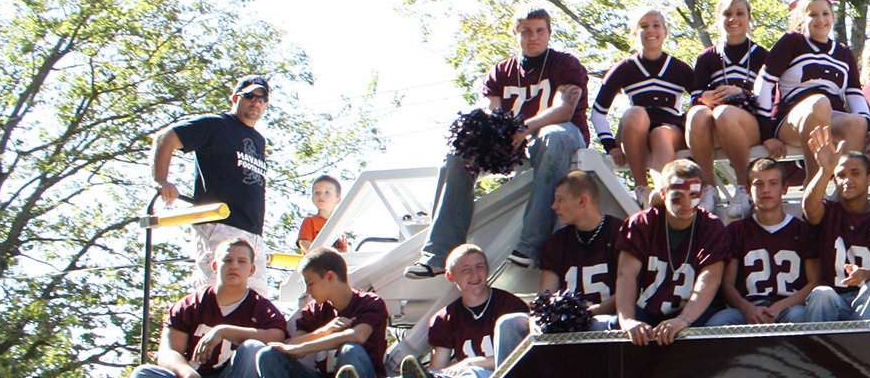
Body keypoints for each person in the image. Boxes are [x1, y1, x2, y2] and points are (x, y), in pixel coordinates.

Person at [409, 7, 592, 279]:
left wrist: (522, 128)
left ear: (549, 33)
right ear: (515, 33)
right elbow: (490, 112)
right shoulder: (501, 72)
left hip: (563, 139)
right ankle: (439, 254)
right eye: (526, 31)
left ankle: (532, 246)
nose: (534, 37)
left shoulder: (565, 64)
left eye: (540, 30)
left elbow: (564, 110)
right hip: (516, 144)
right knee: (457, 154)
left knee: (551, 135)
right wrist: (488, 137)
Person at [151, 75, 272, 294]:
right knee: (215, 302)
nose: (256, 102)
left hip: (253, 233)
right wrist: (162, 181)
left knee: (257, 306)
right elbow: (165, 137)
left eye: (262, 98)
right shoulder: (216, 125)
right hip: (219, 225)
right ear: (235, 98)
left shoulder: (258, 140)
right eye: (249, 96)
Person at [494, 171, 622, 357]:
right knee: (509, 323)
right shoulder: (557, 243)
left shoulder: (622, 233)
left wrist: (587, 313)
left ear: (582, 201)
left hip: (602, 319)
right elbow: (546, 296)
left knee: (609, 323)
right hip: (564, 323)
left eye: (560, 199)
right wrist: (542, 319)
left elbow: (630, 290)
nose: (554, 206)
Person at [129, 239, 286, 378]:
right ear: (215, 266)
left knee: (253, 348)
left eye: (242, 261)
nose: (234, 266)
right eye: (227, 260)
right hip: (194, 373)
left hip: (233, 374)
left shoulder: (261, 307)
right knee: (143, 373)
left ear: (252, 270)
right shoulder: (190, 305)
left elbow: (277, 337)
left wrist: (224, 331)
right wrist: (187, 373)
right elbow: (168, 353)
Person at [614, 159, 731, 345]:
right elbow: (626, 274)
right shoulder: (641, 223)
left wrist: (683, 320)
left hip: (694, 312)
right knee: (616, 326)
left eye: (693, 194)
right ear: (663, 193)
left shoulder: (711, 225)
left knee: (713, 324)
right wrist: (628, 320)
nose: (686, 203)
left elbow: (711, 277)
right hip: (648, 311)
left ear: (701, 193)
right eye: (678, 194)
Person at [758, 0, 870, 179]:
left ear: (832, 17)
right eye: (813, 14)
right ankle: (814, 188)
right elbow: (764, 83)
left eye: (825, 13)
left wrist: (869, 127)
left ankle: (846, 194)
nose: (820, 19)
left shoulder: (843, 52)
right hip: (793, 120)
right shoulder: (792, 41)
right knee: (819, 102)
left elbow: (855, 95)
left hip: (832, 117)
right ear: (802, 18)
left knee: (858, 122)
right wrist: (766, 134)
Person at [687, 0, 778, 220]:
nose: (733, 19)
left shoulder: (762, 55)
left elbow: (773, 97)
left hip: (750, 126)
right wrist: (703, 98)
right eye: (727, 13)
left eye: (739, 13)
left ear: (749, 18)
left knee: (724, 112)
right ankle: (708, 188)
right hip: (716, 126)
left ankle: (742, 187)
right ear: (718, 18)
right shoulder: (708, 57)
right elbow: (694, 96)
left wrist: (742, 92)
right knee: (697, 114)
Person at [593, 10, 697, 209]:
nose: (651, 30)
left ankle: (662, 193)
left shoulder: (679, 68)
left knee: (661, 133)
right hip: (635, 133)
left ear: (665, 32)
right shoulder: (624, 68)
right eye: (644, 26)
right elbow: (598, 111)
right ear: (634, 33)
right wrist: (609, 145)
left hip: (668, 131)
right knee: (636, 113)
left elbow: (700, 100)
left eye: (656, 25)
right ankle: (641, 187)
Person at [708, 158, 823, 325]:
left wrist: (781, 306)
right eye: (758, 184)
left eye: (773, 183)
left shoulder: (803, 230)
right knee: (719, 322)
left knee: (800, 317)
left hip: (790, 308)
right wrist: (747, 308)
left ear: (784, 188)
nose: (766, 190)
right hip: (747, 308)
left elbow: (815, 281)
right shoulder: (736, 231)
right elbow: (727, 282)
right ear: (748, 190)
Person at [801, 129, 870, 322]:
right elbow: (809, 208)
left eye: (855, 173)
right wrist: (825, 170)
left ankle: (862, 349)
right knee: (821, 293)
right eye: (841, 175)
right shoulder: (829, 212)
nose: (847, 180)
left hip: (868, 300)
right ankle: (818, 350)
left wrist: (864, 276)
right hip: (835, 300)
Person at [398, 245, 530, 378]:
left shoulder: (511, 307)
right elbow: (439, 365)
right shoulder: (445, 318)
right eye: (465, 270)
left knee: (471, 373)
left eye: (479, 267)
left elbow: (520, 356)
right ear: (450, 277)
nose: (474, 274)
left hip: (508, 374)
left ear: (487, 269)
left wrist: (472, 362)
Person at [257, 247, 388, 378]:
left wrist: (303, 348)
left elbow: (357, 336)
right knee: (268, 354)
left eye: (310, 283)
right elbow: (293, 346)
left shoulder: (370, 302)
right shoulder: (314, 309)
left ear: (330, 276)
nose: (307, 291)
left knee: (350, 350)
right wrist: (323, 331)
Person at [297, 175, 346, 253]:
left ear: (337, 200)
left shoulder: (340, 226)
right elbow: (304, 243)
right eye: (317, 192)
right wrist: (318, 258)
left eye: (327, 192)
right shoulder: (310, 221)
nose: (321, 195)